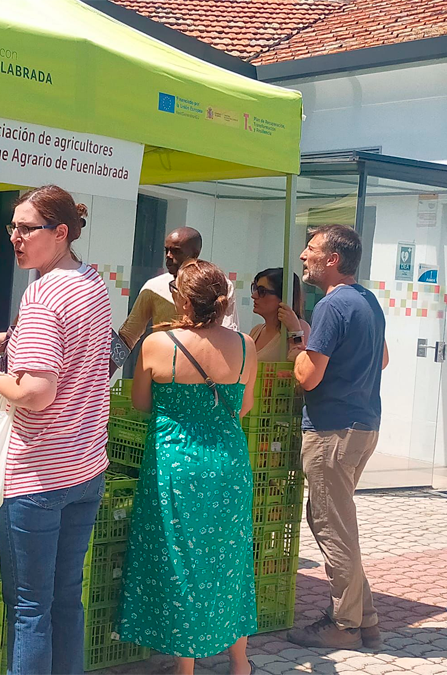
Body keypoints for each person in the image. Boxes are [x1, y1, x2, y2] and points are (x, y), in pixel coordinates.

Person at [0, 185, 111, 675]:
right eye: (14, 226)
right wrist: (12, 338)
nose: (16, 237)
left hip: (39, 474)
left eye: (27, 228)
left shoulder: (42, 294)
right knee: (67, 600)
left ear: (61, 232)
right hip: (86, 467)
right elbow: (78, 337)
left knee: (30, 610)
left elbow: (35, 392)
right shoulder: (90, 282)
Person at [119, 259, 258, 675]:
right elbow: (244, 407)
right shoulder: (246, 346)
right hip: (228, 464)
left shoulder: (157, 344)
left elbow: (140, 403)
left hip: (174, 465)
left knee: (180, 559)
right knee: (230, 560)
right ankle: (240, 663)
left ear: (180, 298)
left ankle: (185, 667)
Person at [282, 225, 388, 650]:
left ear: (333, 260)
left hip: (332, 432)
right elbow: (381, 359)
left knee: (333, 529)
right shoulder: (368, 301)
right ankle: (368, 621)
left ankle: (343, 625)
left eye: (311, 249)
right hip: (363, 425)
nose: (304, 256)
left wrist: (297, 345)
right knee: (337, 523)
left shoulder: (331, 305)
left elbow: (308, 377)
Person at [118, 227, 239, 350]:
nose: (169, 256)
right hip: (164, 364)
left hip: (206, 363)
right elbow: (128, 336)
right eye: (166, 250)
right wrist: (103, 367)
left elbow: (229, 333)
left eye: (176, 251)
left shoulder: (220, 286)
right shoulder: (154, 287)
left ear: (195, 254)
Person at [248, 267, 311, 361]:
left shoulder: (300, 327)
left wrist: (295, 331)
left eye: (262, 291)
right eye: (255, 289)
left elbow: (302, 364)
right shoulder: (256, 331)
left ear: (283, 297)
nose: (254, 296)